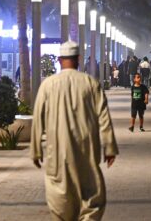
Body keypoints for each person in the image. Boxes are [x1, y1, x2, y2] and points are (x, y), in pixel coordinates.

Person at [32, 40, 117, 220]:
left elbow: (37, 119)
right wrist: (109, 147)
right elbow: (103, 116)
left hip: (57, 149)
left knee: (59, 194)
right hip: (86, 147)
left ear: (59, 60)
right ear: (78, 59)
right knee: (92, 195)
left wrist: (36, 150)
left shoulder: (48, 84)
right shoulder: (89, 83)